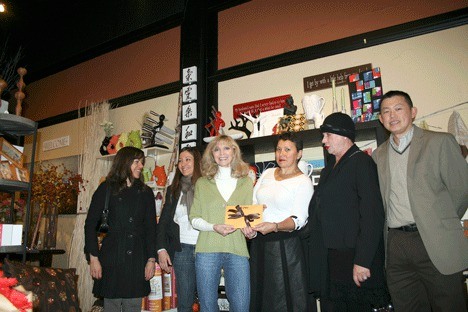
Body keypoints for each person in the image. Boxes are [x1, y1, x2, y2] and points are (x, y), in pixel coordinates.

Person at [372, 90, 468, 311]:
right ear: (380, 119)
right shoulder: (379, 155)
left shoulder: (440, 142)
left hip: (434, 240)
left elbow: (462, 189)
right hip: (396, 244)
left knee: (448, 304)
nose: (392, 115)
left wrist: (436, 218)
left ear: (413, 112)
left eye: (398, 108)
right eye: (386, 111)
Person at [307, 112, 390, 311]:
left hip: (354, 261)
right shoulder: (329, 170)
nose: (323, 140)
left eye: (327, 135)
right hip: (332, 261)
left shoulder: (362, 162)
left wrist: (363, 261)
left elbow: (372, 215)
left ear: (344, 135)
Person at [242, 132, 313, 312]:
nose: (281, 153)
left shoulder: (303, 181)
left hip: (286, 247)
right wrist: (249, 227)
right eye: (279, 149)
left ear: (299, 154)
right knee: (261, 298)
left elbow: (298, 220)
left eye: (287, 149)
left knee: (284, 300)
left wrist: (274, 226)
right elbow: (253, 203)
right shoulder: (266, 173)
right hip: (259, 244)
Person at [84, 146, 157, 312]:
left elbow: (151, 228)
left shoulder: (146, 193)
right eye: (137, 162)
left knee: (133, 305)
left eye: (142, 162)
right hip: (112, 256)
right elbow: (90, 224)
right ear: (124, 162)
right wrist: (93, 257)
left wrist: (151, 259)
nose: (141, 166)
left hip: (137, 258)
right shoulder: (106, 188)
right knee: (112, 305)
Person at [189, 135, 253, 312]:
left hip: (237, 249)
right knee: (208, 306)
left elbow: (249, 220)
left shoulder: (246, 182)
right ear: (212, 155)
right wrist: (213, 227)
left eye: (227, 148)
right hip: (207, 250)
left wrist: (251, 232)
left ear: (234, 152)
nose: (222, 153)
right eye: (216, 149)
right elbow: (194, 218)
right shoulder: (202, 183)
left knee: (241, 305)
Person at [156, 147, 202, 312]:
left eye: (188, 159)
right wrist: (161, 249)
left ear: (197, 161)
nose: (183, 164)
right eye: (180, 161)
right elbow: (164, 222)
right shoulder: (173, 190)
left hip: (206, 248)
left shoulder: (208, 186)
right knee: (185, 302)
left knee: (207, 299)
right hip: (182, 249)